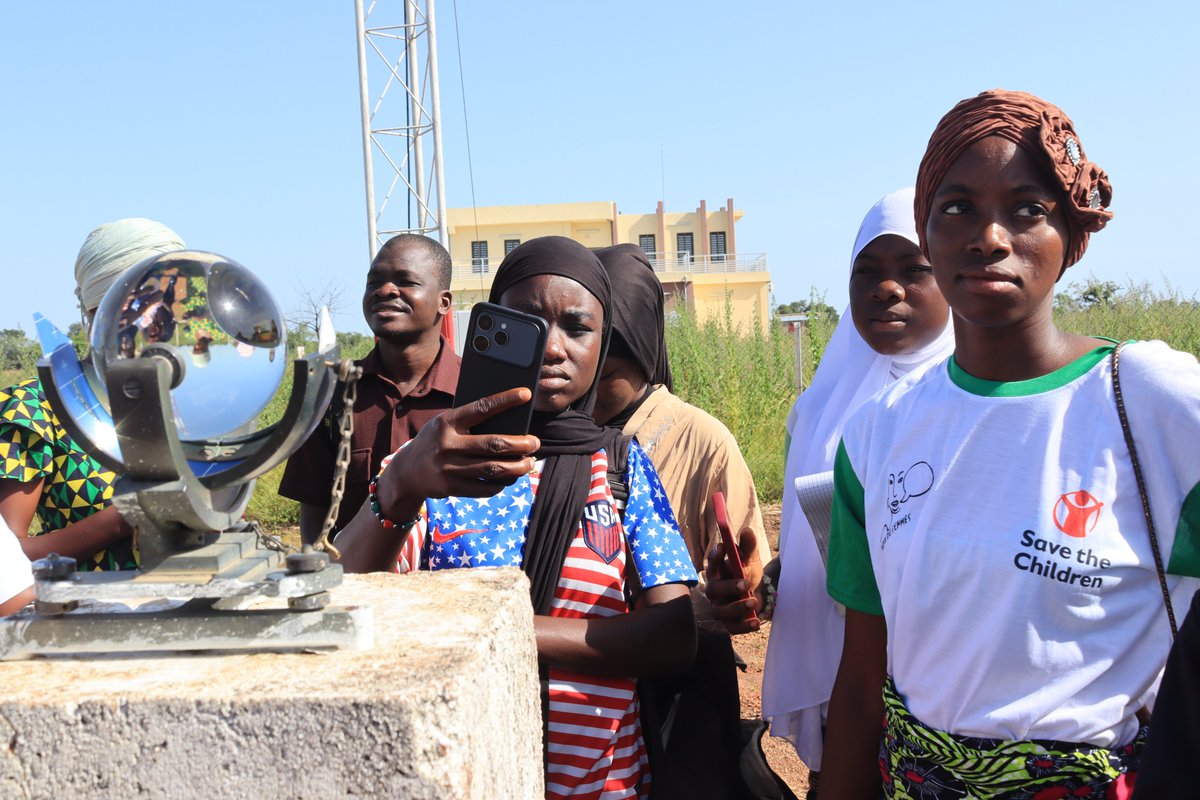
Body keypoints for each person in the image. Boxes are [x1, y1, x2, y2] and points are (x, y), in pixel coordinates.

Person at [819, 90, 1199, 798]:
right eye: (956, 207)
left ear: (1071, 235)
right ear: (927, 232)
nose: (989, 237)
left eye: (1027, 210)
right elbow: (864, 678)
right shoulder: (878, 432)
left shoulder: (1153, 402)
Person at [336, 236, 698, 798]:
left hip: (601, 785)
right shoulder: (433, 463)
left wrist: (501, 630)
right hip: (461, 775)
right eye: (528, 324)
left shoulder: (621, 466)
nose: (552, 347)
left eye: (577, 328)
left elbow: (673, 635)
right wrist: (401, 485)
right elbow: (346, 602)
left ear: (602, 344)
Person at [753, 189, 953, 787]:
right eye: (866, 271)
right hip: (844, 682)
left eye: (914, 269)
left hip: (937, 693)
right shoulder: (819, 408)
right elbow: (811, 534)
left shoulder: (969, 402)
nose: (886, 288)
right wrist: (780, 574)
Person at [592, 243, 775, 798]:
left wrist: (733, 593)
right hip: (583, 690)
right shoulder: (545, 439)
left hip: (678, 692)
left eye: (612, 351)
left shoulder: (700, 439)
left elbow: (750, 585)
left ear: (645, 345)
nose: (592, 364)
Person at [0, 218, 185, 570]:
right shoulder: (38, 408)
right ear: (96, 312)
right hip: (87, 603)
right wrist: (121, 520)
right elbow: (6, 562)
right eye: (142, 307)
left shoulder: (192, 400)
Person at [592, 243, 771, 590]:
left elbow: (745, 580)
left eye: (605, 374)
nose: (586, 387)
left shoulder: (704, 443)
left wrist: (718, 596)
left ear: (643, 352)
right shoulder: (548, 438)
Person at [278, 233, 461, 545]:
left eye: (406, 281)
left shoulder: (477, 392)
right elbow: (314, 512)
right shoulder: (330, 395)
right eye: (374, 282)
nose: (385, 290)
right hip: (354, 575)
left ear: (443, 302)